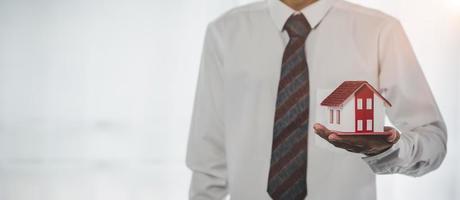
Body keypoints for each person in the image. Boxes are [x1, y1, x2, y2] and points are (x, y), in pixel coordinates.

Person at [186, 0, 448, 199]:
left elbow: (432, 139)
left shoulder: (379, 31)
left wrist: (388, 150)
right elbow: (209, 157)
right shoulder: (224, 32)